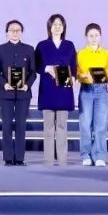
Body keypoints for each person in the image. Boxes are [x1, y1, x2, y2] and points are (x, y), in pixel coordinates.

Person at [0, 20, 37, 165]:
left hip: (23, 94)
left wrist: (27, 85)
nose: (15, 32)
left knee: (21, 126)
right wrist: (4, 84)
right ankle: (7, 157)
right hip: (5, 93)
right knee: (6, 125)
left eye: (18, 30)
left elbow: (33, 72)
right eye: (12, 30)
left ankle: (19, 158)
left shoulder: (29, 49)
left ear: (22, 33)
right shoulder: (0, 49)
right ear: (7, 33)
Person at [35, 14, 76, 166]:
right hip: (48, 90)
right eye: (54, 24)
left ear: (64, 27)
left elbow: (74, 65)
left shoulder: (69, 45)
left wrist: (74, 77)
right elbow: (36, 65)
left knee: (62, 126)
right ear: (49, 27)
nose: (57, 27)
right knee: (48, 127)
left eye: (60, 24)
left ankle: (63, 160)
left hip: (64, 90)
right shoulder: (42, 45)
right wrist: (47, 68)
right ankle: (48, 161)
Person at [76, 23, 108, 166]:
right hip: (86, 89)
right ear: (86, 37)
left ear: (100, 36)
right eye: (91, 35)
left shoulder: (106, 53)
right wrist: (84, 76)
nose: (94, 38)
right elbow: (77, 72)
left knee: (101, 124)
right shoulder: (80, 53)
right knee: (85, 123)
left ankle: (99, 155)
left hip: (101, 90)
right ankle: (86, 154)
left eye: (96, 35)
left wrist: (104, 77)